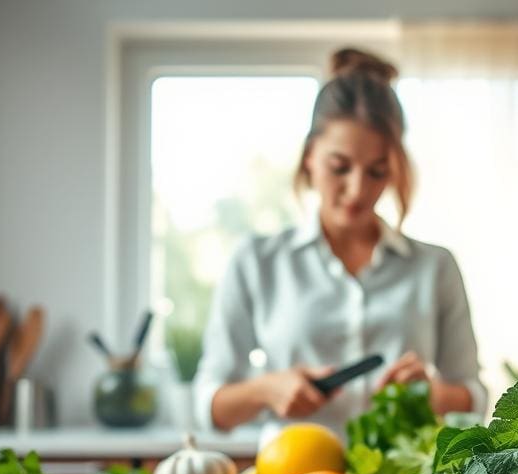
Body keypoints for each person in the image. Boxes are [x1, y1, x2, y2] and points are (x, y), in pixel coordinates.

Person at [194, 48, 486, 442]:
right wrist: (267, 389)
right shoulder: (256, 261)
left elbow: (475, 396)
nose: (357, 189)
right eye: (340, 167)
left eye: (377, 172)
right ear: (310, 155)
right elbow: (210, 407)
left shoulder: (435, 266)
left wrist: (432, 395)